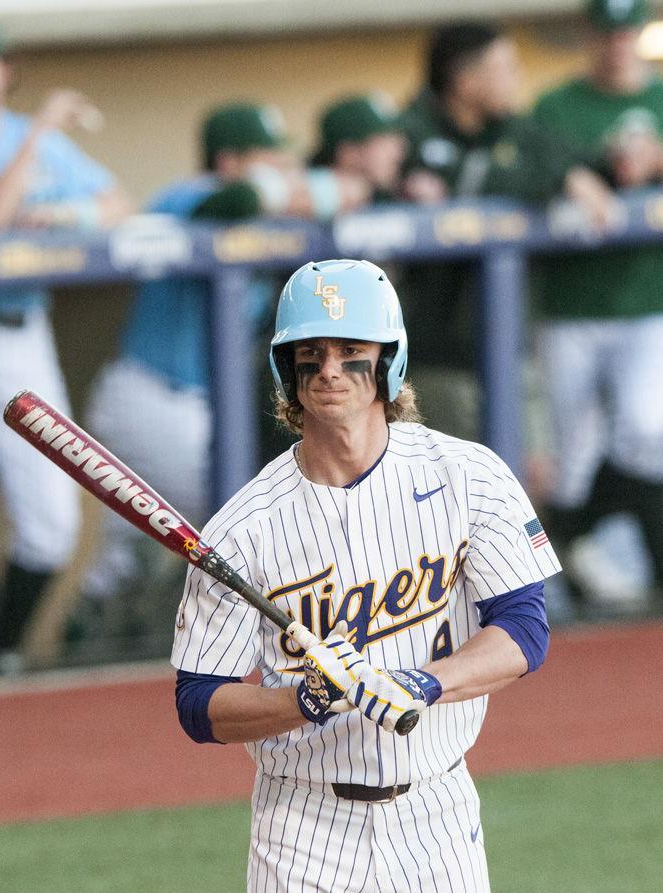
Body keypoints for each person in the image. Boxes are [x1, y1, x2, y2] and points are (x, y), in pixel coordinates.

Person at [172, 258, 560, 891]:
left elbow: (524, 630)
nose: (329, 369)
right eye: (311, 352)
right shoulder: (242, 527)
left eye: (351, 350)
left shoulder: (469, 476)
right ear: (285, 368)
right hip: (301, 826)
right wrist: (299, 702)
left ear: (388, 361)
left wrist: (423, 683)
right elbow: (197, 704)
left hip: (438, 816)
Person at [64, 102, 372, 657]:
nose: (280, 171)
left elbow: (350, 191)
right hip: (155, 397)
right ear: (229, 160)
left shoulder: (273, 210)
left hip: (197, 406)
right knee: (242, 525)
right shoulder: (187, 197)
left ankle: (91, 637)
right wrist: (293, 189)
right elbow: (232, 201)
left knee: (126, 553)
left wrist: (309, 190)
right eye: (265, 159)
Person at [397, 21, 617, 442]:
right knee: (453, 493)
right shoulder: (411, 130)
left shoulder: (513, 128)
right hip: (436, 359)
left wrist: (571, 171)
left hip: (509, 349)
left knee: (531, 482)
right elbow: (471, 185)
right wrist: (554, 177)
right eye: (505, 68)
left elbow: (581, 161)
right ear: (464, 80)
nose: (516, 79)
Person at [0, 22, 133, 672]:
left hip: (21, 333)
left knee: (52, 521)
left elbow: (118, 205)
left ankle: (2, 658)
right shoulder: (33, 136)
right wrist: (41, 133)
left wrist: (63, 216)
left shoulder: (22, 133)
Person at [532, 0, 663, 613]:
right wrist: (581, 174)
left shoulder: (658, 96)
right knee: (572, 452)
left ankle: (608, 546)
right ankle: (576, 566)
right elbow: (531, 165)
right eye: (607, 31)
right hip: (572, 302)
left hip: (646, 299)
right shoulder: (559, 106)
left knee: (644, 429)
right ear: (590, 34)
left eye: (627, 30)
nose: (617, 43)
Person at [310, 92, 407, 200]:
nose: (397, 154)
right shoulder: (305, 199)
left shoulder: (384, 192)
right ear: (349, 153)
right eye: (384, 144)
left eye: (396, 141)